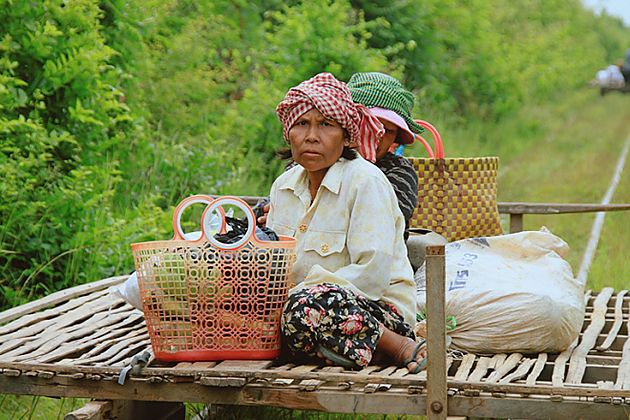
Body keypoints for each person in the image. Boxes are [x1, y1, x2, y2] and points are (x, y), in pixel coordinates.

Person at [267, 72, 427, 372]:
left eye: (325, 125)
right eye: (302, 124)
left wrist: (299, 294)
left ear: (346, 134)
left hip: (373, 308)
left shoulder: (366, 182)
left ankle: (397, 346)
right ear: (289, 132)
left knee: (304, 306)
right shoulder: (283, 186)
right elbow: (277, 265)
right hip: (299, 309)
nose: (312, 136)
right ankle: (333, 347)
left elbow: (372, 276)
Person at [346, 72, 421, 239]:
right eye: (370, 123)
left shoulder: (399, 171)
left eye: (388, 131)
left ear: (395, 138)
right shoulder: (317, 161)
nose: (378, 134)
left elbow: (378, 223)